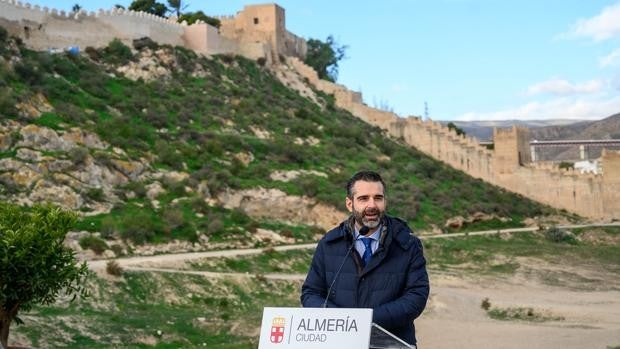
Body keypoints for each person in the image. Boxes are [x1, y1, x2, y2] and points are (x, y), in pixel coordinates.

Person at [301, 170, 429, 346]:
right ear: (349, 203)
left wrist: (367, 320)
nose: (372, 205)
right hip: (340, 342)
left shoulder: (408, 244)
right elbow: (311, 293)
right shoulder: (329, 244)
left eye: (378, 198)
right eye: (363, 198)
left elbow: (416, 297)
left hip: (391, 343)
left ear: (385, 201)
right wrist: (342, 321)